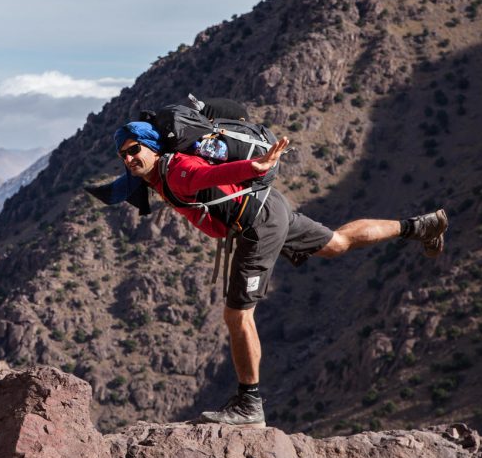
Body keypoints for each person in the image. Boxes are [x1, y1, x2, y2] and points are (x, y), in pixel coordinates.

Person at [111, 120, 448, 427]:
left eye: (133, 150)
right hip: (270, 205)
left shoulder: (176, 172)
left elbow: (206, 176)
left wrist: (252, 166)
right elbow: (127, 185)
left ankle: (249, 404)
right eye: (122, 155)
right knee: (337, 243)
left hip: (257, 223)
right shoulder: (159, 174)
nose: (128, 159)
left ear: (152, 147)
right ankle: (420, 227)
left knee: (237, 315)